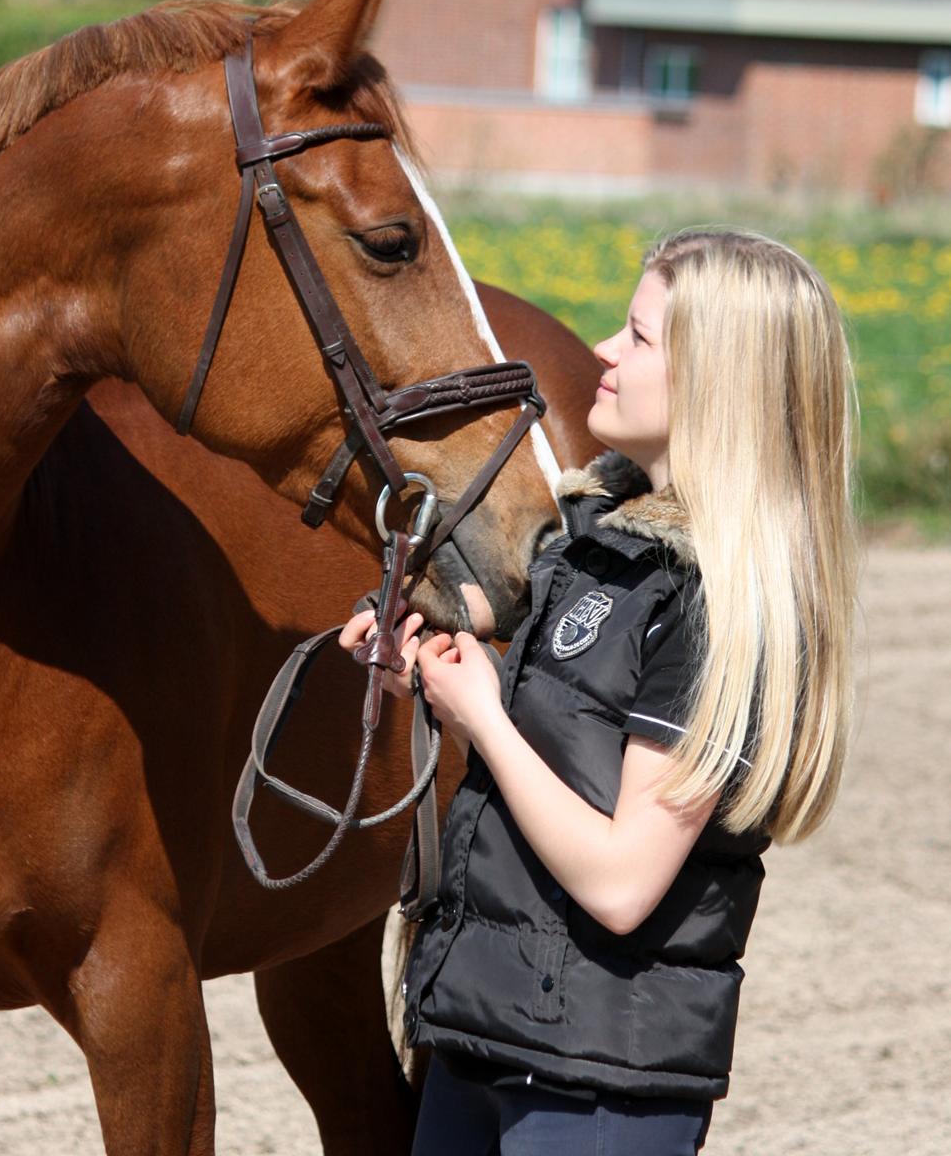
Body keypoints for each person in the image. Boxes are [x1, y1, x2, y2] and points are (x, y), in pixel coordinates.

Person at [339, 229, 859, 1155]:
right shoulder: (594, 546)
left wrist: (486, 722)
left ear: (718, 380)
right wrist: (424, 652)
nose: (605, 354)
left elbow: (623, 883)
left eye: (640, 336)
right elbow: (563, 731)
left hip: (600, 1088)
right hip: (490, 1039)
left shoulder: (726, 610)